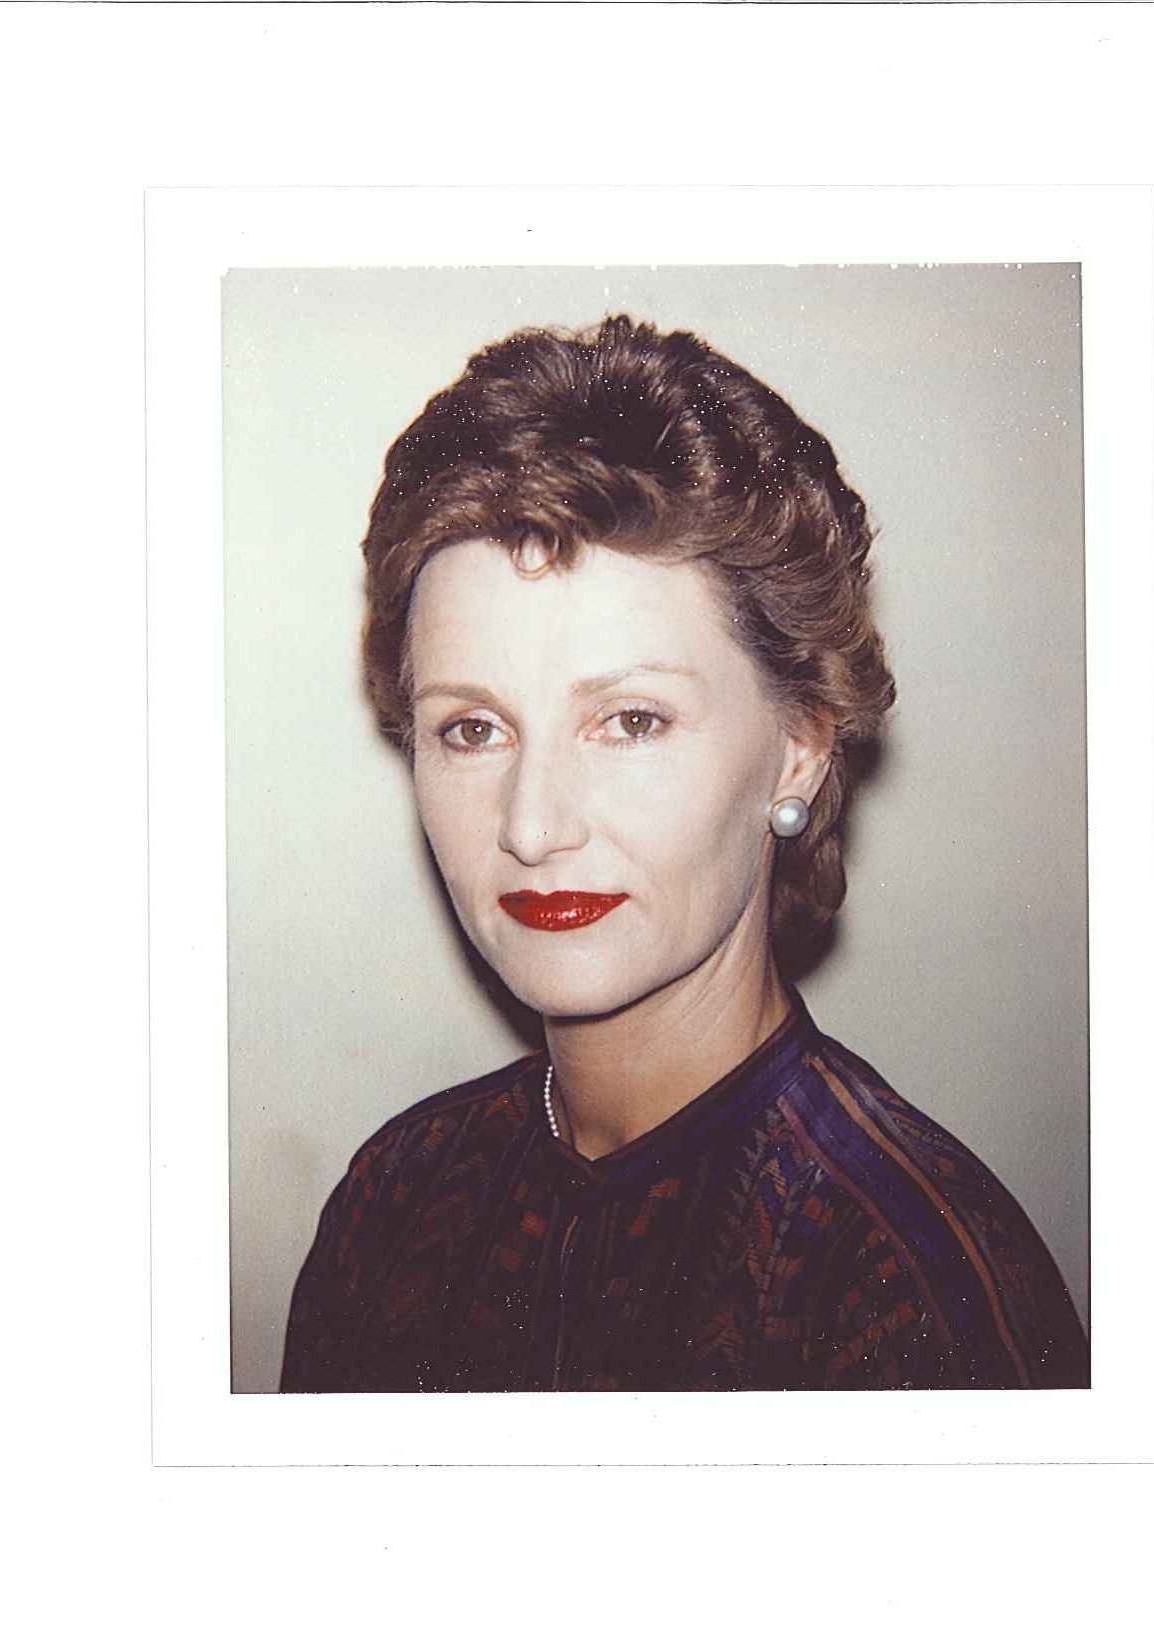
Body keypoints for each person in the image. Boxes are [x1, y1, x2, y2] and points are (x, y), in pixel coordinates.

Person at [280, 315, 1088, 1392]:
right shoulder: (392, 1200)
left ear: (800, 749)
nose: (532, 825)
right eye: (472, 729)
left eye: (631, 720)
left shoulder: (909, 1291)